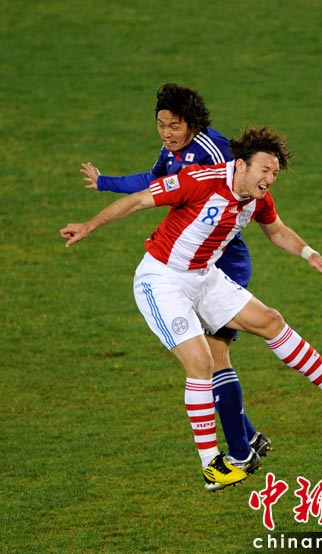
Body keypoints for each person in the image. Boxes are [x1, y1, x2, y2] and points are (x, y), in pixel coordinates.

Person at [61, 126, 322, 492]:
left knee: (270, 320)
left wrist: (311, 254)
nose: (270, 178)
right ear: (241, 165)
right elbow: (138, 201)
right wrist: (89, 226)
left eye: (275, 173)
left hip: (204, 277)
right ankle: (211, 465)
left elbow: (277, 231)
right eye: (265, 169)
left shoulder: (258, 198)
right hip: (162, 280)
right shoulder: (200, 180)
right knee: (201, 363)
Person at [79, 83, 270, 474]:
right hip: (189, 264)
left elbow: (243, 193)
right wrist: (104, 182)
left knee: (214, 359)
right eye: (161, 125)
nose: (166, 133)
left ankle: (242, 448)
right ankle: (247, 441)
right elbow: (153, 181)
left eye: (174, 125)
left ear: (193, 123)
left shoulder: (217, 151)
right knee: (210, 361)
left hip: (220, 262)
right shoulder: (173, 150)